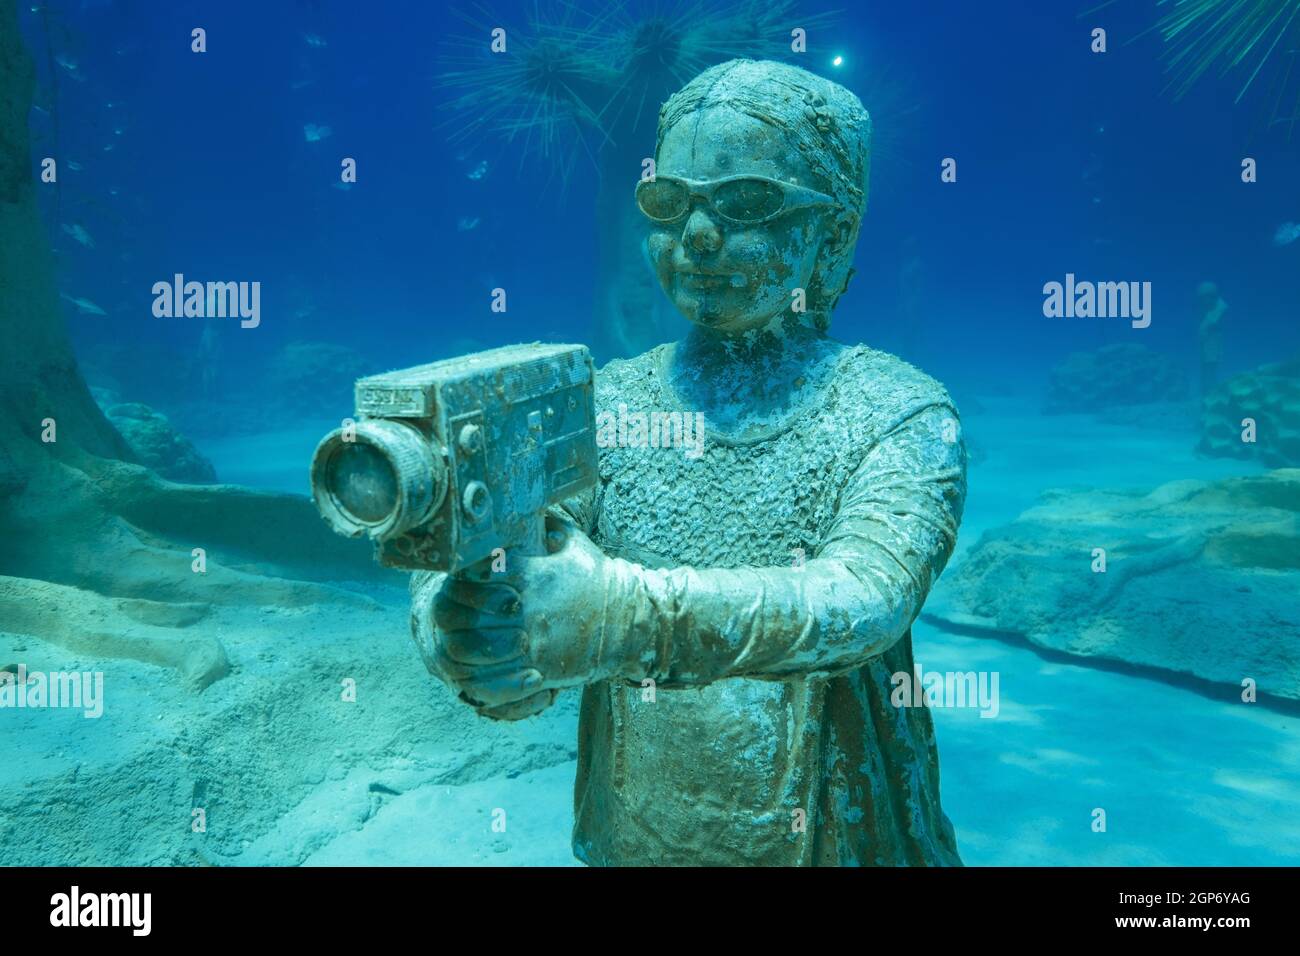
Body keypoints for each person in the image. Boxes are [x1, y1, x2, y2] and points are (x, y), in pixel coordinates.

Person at [411, 59, 967, 866]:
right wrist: (470, 634)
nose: (697, 236)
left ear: (834, 232)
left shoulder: (897, 411)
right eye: (670, 205)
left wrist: (614, 619)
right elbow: (495, 551)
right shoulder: (606, 401)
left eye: (746, 203)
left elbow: (865, 600)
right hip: (633, 839)